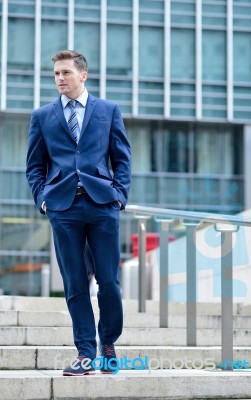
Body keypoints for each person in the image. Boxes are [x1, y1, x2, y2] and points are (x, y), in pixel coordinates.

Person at [26, 50, 131, 376]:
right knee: (74, 284)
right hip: (63, 208)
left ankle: (108, 343)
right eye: (56, 73)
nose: (60, 78)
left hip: (101, 206)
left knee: (109, 283)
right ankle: (85, 353)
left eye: (66, 72)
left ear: (82, 75)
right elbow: (34, 166)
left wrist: (119, 197)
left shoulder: (108, 110)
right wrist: (43, 200)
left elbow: (122, 159)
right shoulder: (42, 116)